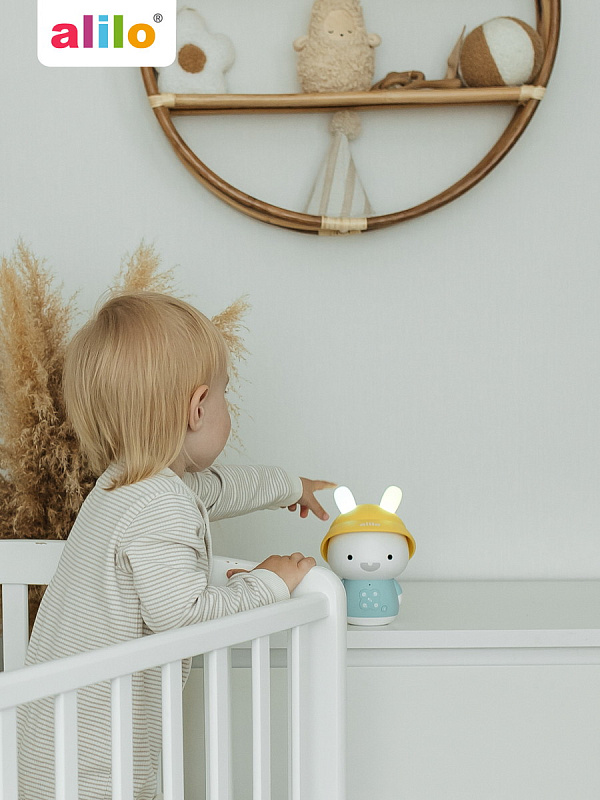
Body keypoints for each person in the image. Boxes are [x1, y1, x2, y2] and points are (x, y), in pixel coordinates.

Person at [18, 291, 334, 800]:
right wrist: (268, 584)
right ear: (198, 407)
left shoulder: (125, 484)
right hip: (98, 766)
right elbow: (183, 618)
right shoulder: (161, 503)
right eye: (226, 393)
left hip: (52, 747)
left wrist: (291, 487)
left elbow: (220, 489)